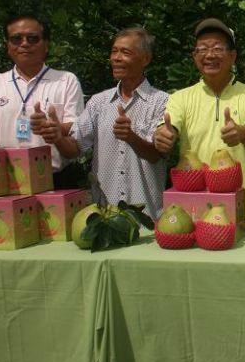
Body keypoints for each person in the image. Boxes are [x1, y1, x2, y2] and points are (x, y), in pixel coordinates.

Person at [40, 28, 168, 219]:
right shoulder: (98, 103)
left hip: (147, 218)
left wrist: (131, 137)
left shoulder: (162, 102)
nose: (116, 58)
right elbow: (74, 149)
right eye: (114, 51)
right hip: (104, 219)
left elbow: (156, 155)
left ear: (145, 59)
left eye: (125, 52)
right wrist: (58, 138)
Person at [153, 18, 245, 227]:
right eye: (203, 49)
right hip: (192, 212)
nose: (210, 55)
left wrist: (240, 133)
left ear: (233, 56)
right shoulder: (180, 98)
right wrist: (162, 135)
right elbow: (168, 127)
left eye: (217, 48)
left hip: (243, 211)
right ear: (194, 56)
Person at [0, 14, 84, 188]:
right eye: (16, 39)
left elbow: (76, 128)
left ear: (46, 45)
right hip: (3, 179)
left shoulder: (66, 81)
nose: (24, 44)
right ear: (8, 46)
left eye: (33, 38)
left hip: (53, 180)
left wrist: (54, 127)